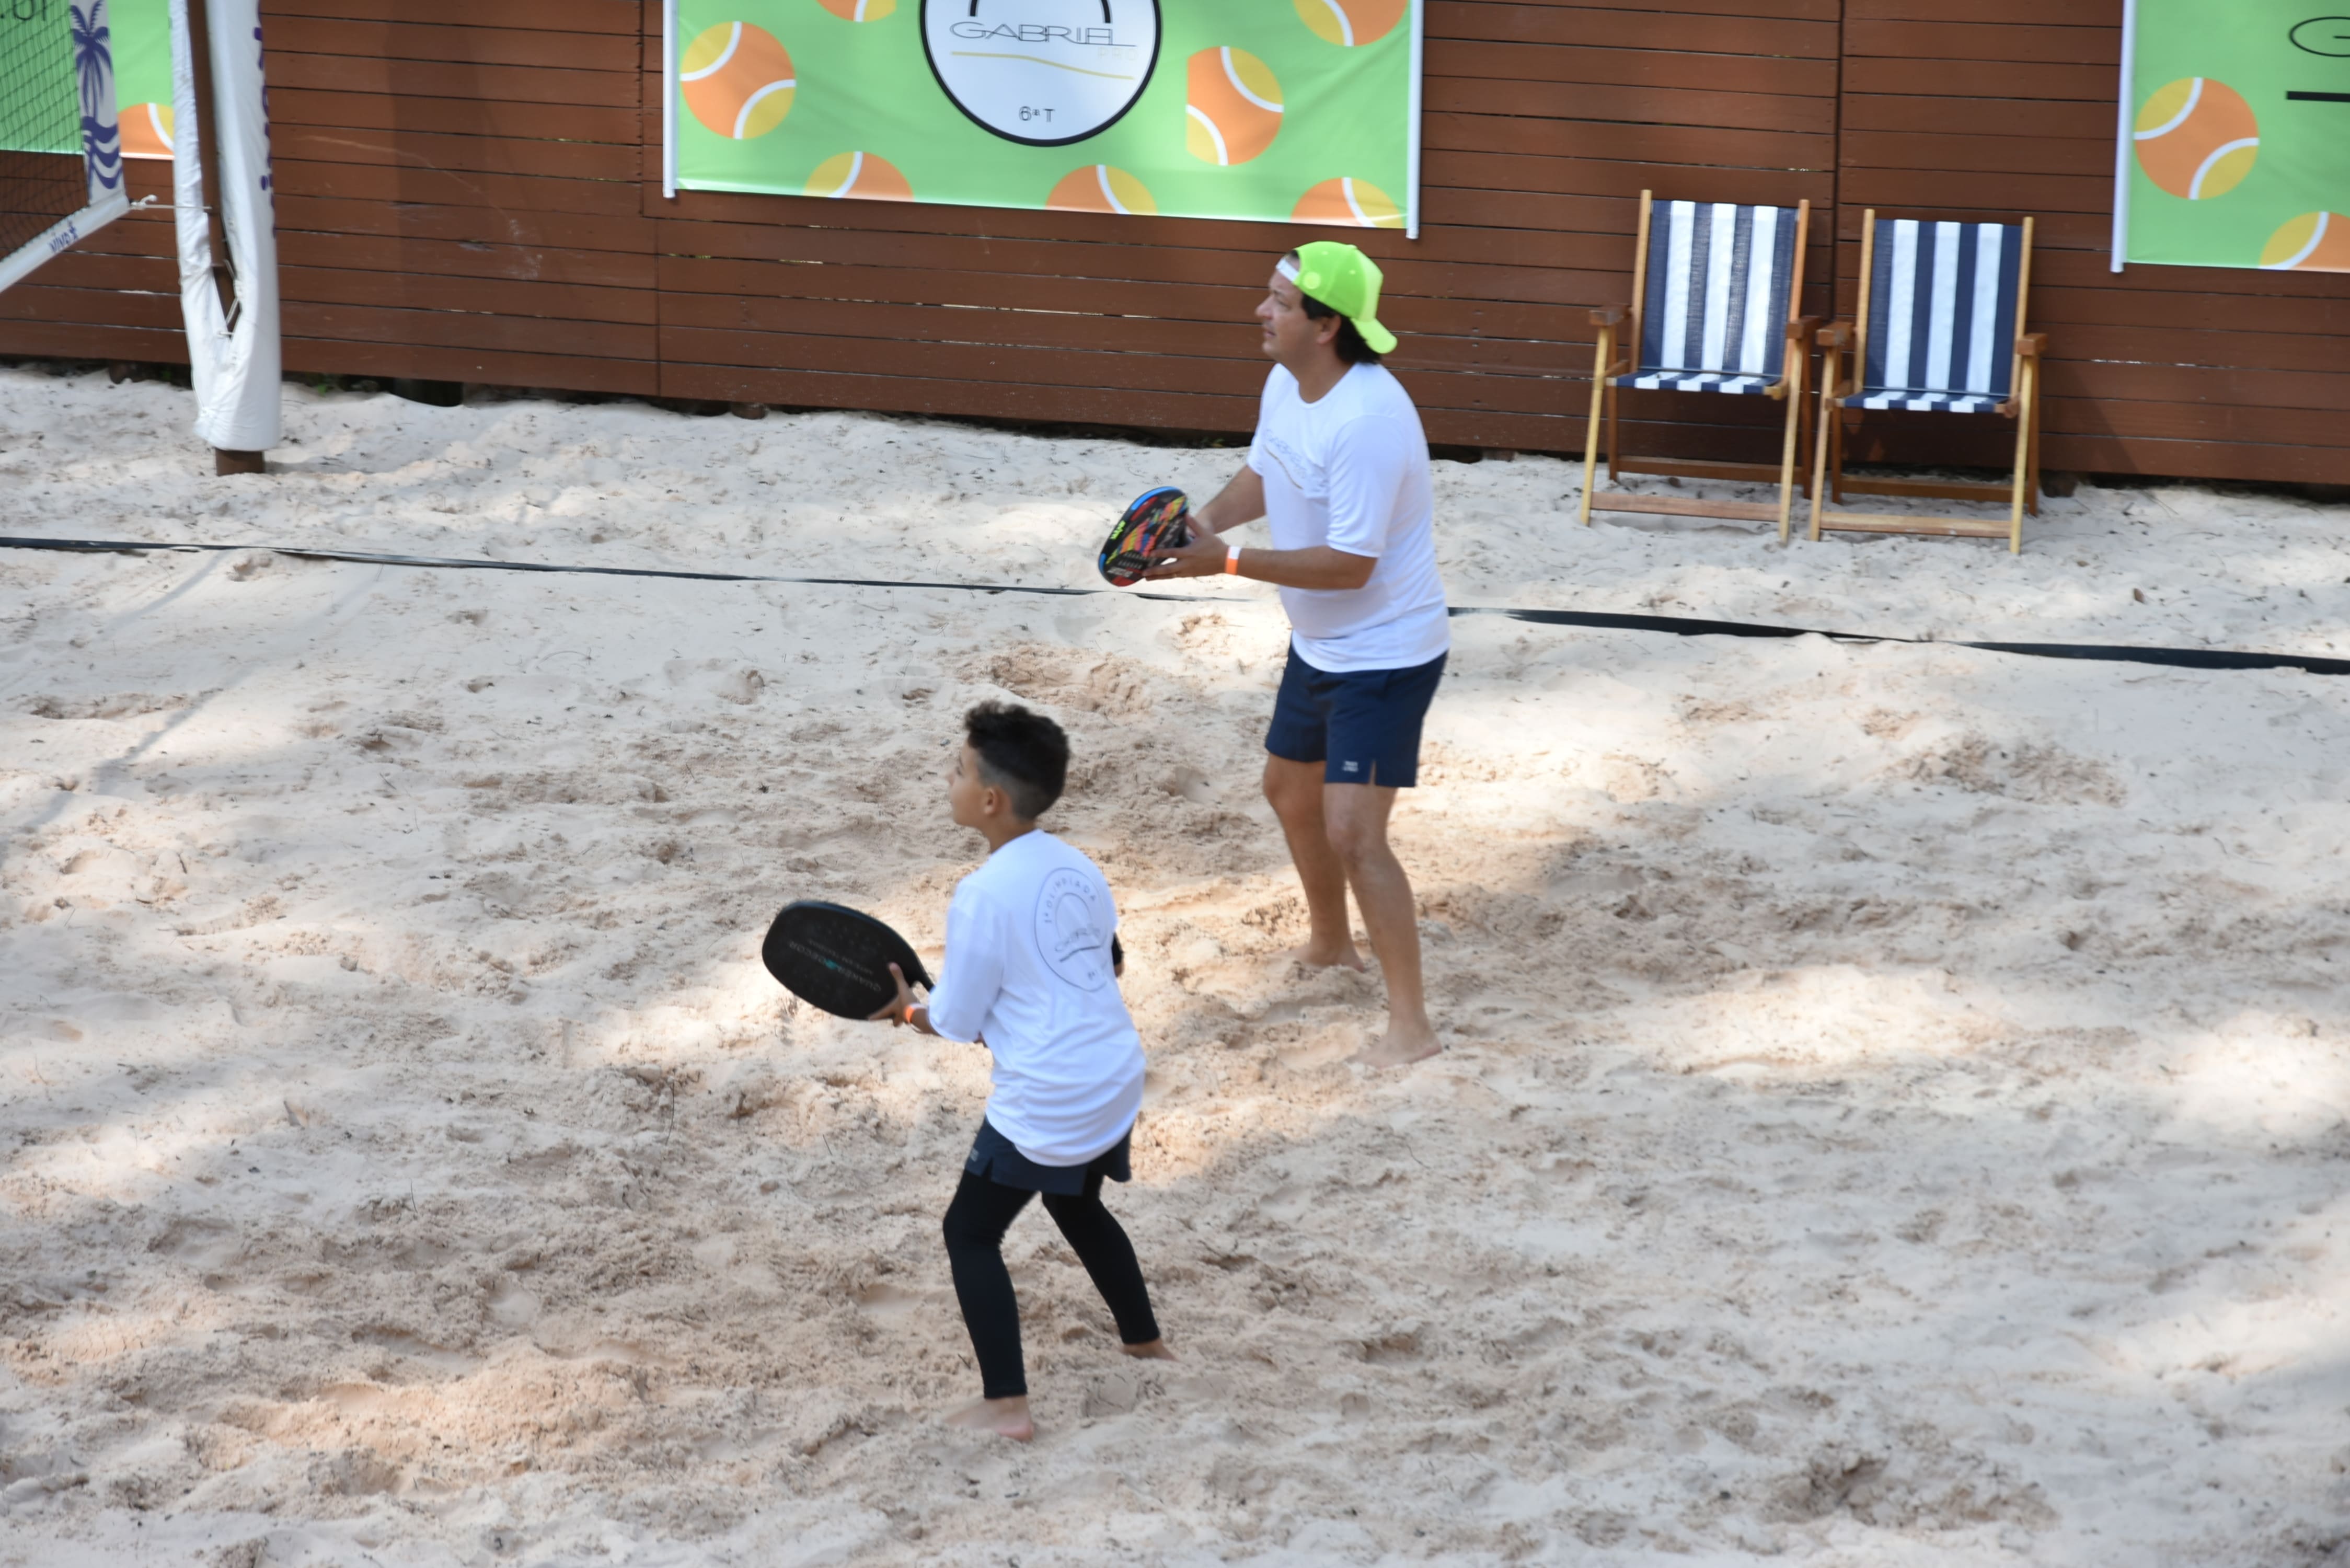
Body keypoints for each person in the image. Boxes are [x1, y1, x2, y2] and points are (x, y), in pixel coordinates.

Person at [1145, 240, 1448, 1068]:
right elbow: (1267, 471)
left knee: (1355, 832)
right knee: (1288, 790)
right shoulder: (1289, 381)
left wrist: (1229, 564)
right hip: (1322, 643)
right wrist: (1203, 526)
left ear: (1326, 326)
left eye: (1280, 302)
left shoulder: (1368, 422)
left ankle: (1412, 1029)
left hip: (1386, 652)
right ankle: (1331, 944)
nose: (1261, 311)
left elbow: (1352, 567)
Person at [870, 700, 1172, 1441]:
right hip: (1114, 1074)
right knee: (1078, 1205)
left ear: (990, 801)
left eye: (958, 770)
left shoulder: (981, 893)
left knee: (969, 1233)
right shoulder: (1077, 866)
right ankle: (1145, 1341)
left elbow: (955, 1021)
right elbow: (1106, 963)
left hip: (1050, 1094)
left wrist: (905, 1012)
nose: (948, 780)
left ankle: (1007, 1406)